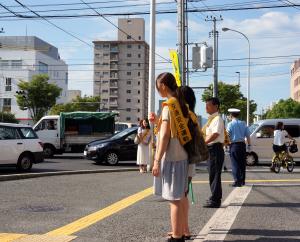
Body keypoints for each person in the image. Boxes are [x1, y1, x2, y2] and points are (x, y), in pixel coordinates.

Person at [149, 72, 190, 242]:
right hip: (183, 156)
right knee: (180, 198)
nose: (158, 90)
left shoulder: (168, 106)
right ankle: (180, 232)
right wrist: (158, 120)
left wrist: (157, 160)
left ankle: (177, 236)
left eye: (158, 87)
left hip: (172, 158)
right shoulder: (181, 104)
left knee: (173, 200)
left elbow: (165, 136)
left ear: (163, 86)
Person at [202, 97, 225, 208]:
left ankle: (216, 200)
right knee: (212, 174)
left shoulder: (217, 119)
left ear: (216, 106)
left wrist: (203, 143)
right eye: (206, 105)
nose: (206, 107)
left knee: (215, 175)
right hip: (211, 150)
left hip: (215, 149)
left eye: (208, 105)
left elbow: (214, 135)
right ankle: (214, 197)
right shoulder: (211, 119)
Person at [226, 108, 251, 187]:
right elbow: (248, 136)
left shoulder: (230, 124)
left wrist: (227, 144)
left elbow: (227, 136)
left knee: (235, 163)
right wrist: (249, 145)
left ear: (231, 115)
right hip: (242, 145)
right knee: (242, 164)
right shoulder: (243, 123)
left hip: (234, 145)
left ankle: (237, 181)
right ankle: (242, 181)